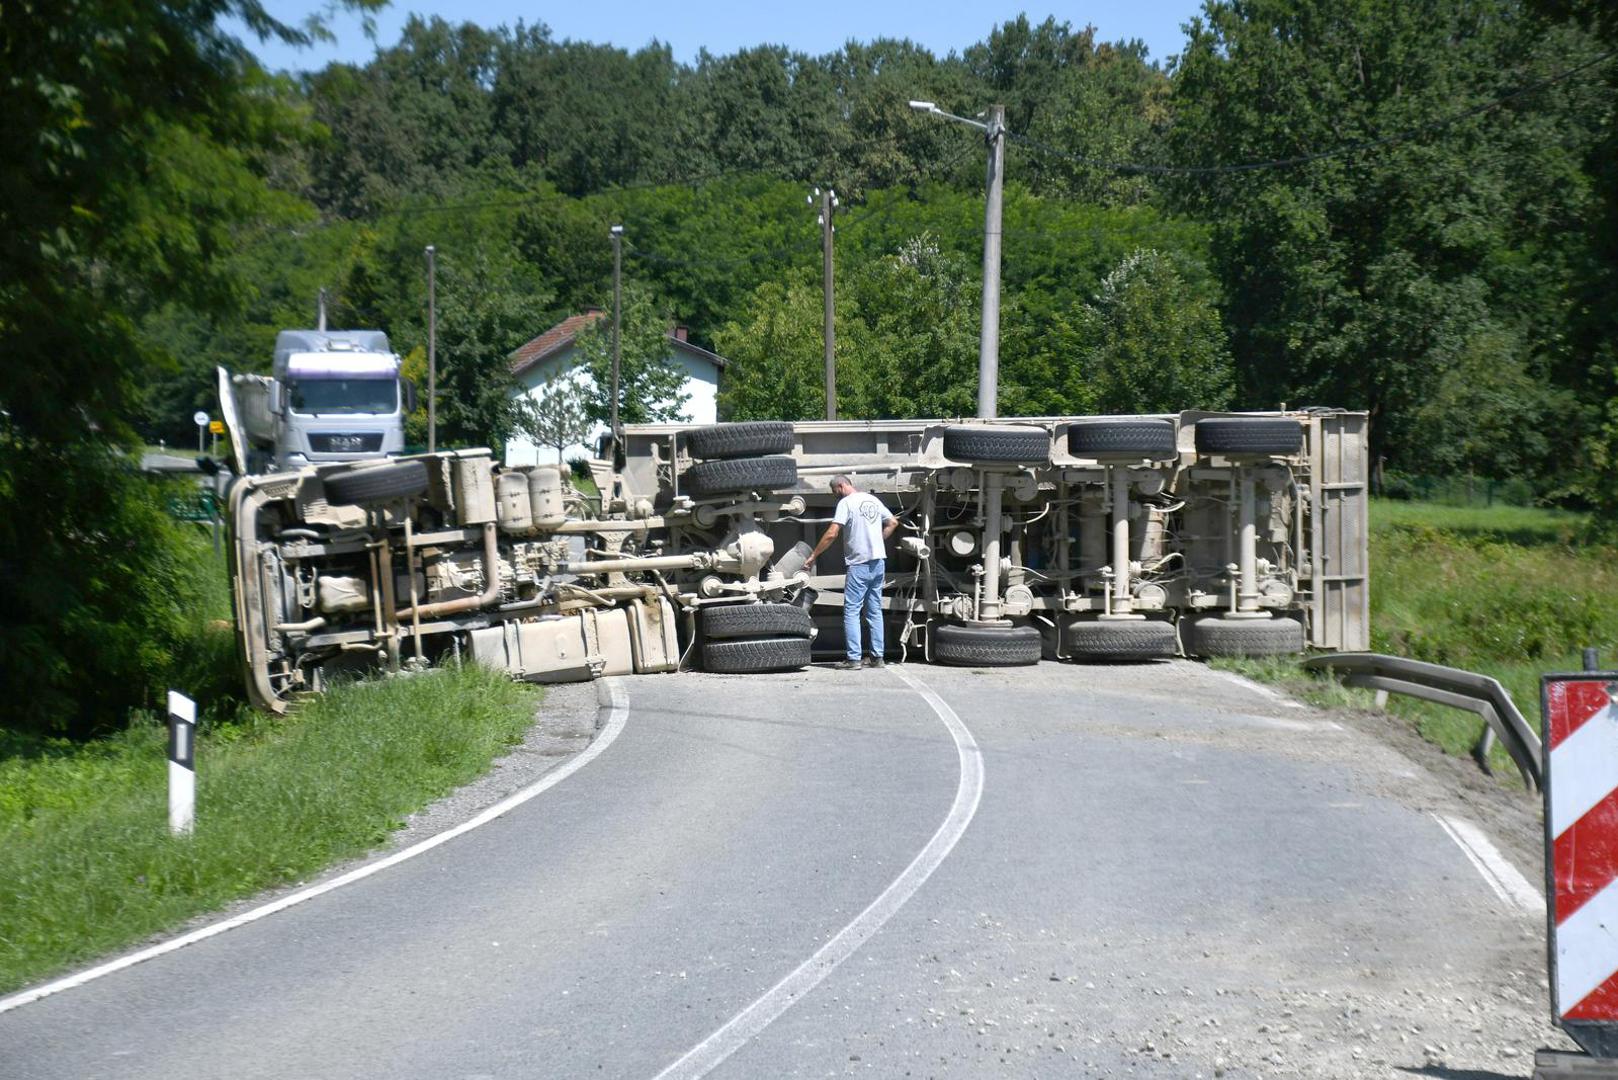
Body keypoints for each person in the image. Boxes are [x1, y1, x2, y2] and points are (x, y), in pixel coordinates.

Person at [805, 475, 899, 670]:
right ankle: (877, 658)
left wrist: (814, 555)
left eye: (834, 492)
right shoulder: (873, 500)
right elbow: (893, 523)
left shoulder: (846, 503)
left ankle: (854, 659)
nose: (835, 496)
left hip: (859, 564)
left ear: (840, 486)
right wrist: (877, 542)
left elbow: (832, 533)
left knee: (852, 611)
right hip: (878, 562)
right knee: (874, 611)